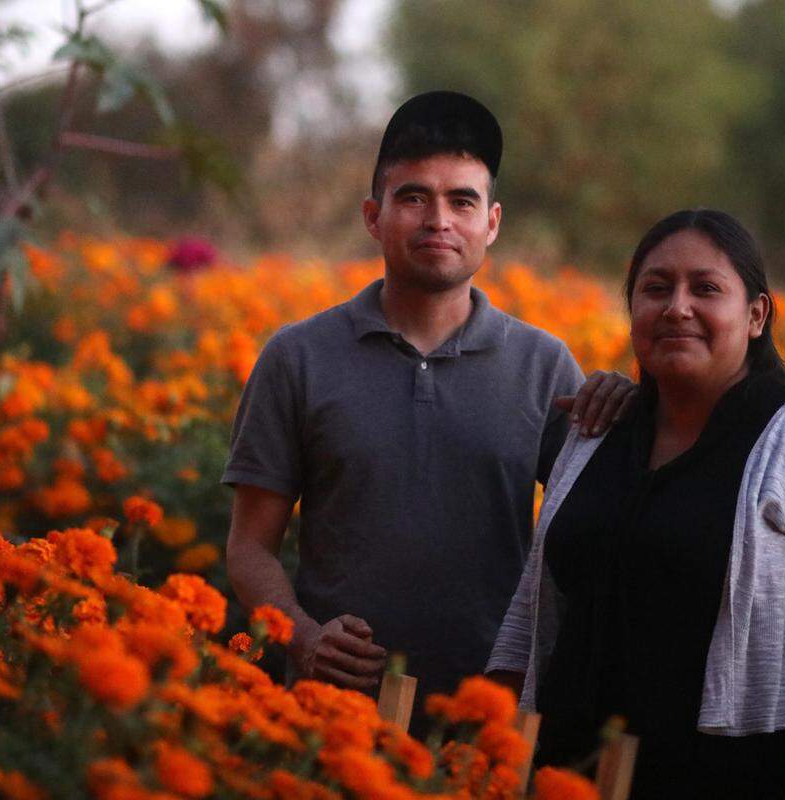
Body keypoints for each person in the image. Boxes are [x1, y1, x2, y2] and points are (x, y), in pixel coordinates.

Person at [221, 91, 634, 723]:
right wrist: (303, 639)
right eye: (413, 197)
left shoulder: (542, 365)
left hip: (484, 716)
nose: (438, 219)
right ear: (372, 216)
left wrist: (633, 413)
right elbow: (249, 547)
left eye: (461, 200)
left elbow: (603, 533)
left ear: (491, 222)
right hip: (326, 715)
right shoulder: (298, 357)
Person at [487, 209, 785, 799]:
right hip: (568, 772)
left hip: (730, 776)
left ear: (756, 315)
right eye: (656, 289)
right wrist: (487, 766)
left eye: (706, 289)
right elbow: (530, 618)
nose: (677, 307)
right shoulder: (597, 433)